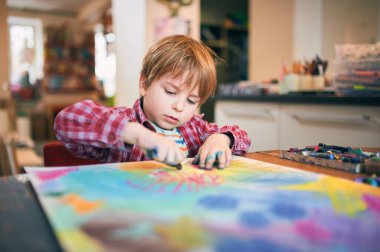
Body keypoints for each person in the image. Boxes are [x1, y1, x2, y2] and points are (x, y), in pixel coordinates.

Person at [54, 34, 251, 170]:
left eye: (191, 101)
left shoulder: (194, 128)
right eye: (170, 91)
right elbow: (66, 120)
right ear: (144, 84)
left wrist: (220, 139)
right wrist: (138, 135)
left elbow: (242, 136)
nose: (180, 107)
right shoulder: (123, 120)